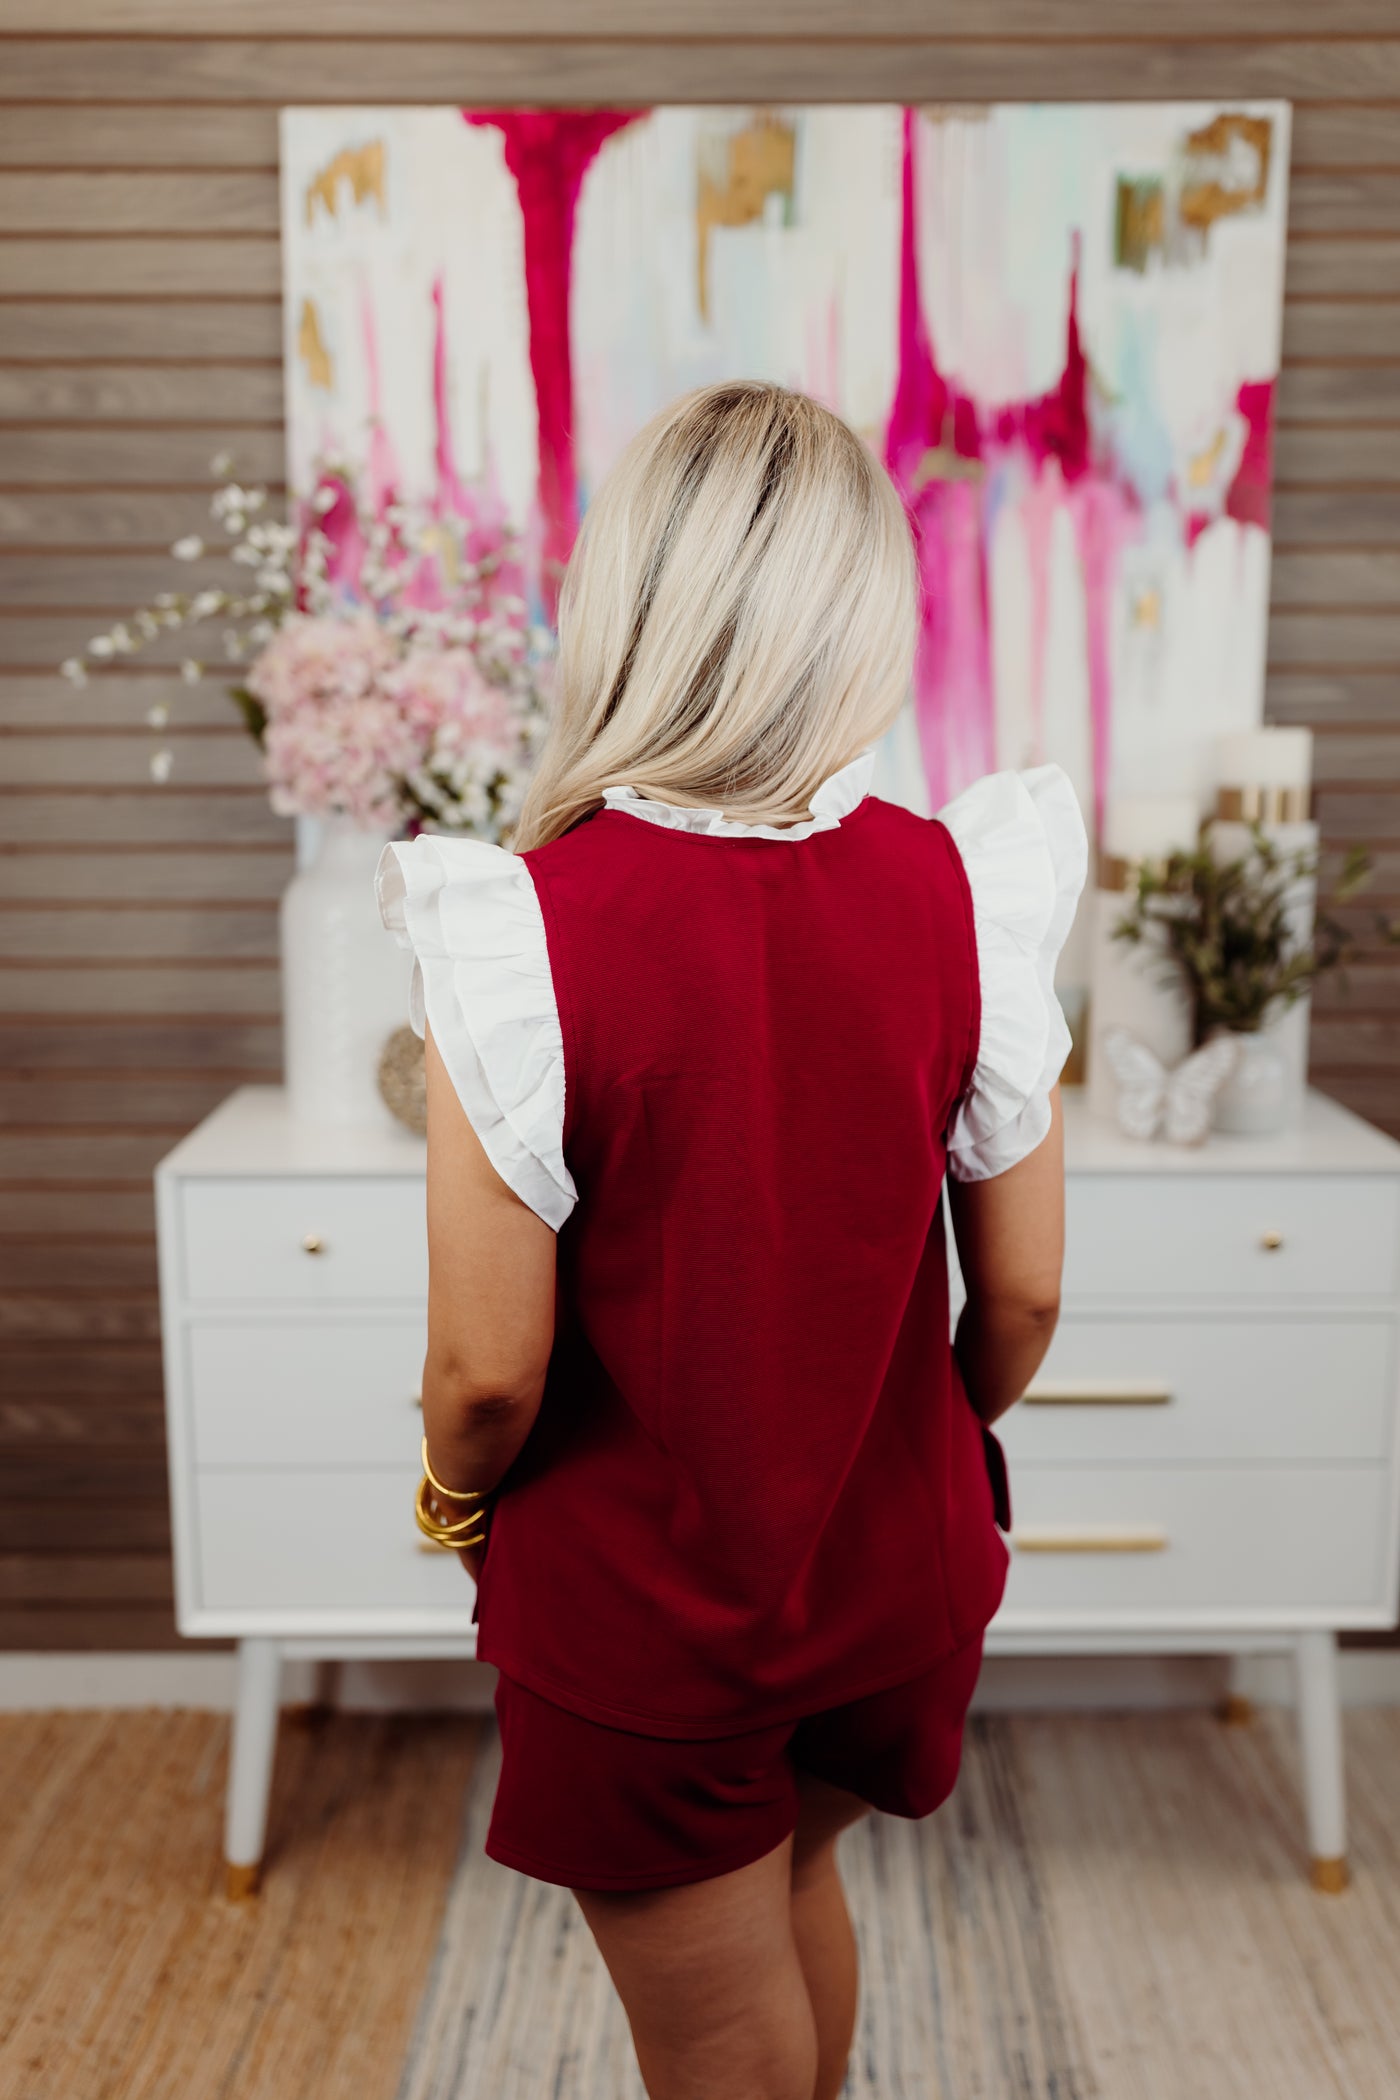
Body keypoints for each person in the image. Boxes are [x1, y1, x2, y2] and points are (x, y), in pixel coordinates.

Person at [376, 380, 1086, 2100]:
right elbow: (1030, 1289)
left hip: (652, 1623)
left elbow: (486, 1372)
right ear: (855, 617)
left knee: (707, 2027)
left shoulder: (518, 928)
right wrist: (922, 1445)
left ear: (626, 611)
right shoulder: (957, 887)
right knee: (797, 1882)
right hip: (894, 1581)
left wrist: (452, 1507)